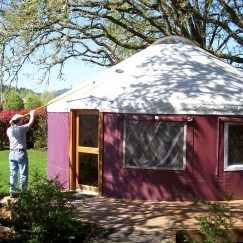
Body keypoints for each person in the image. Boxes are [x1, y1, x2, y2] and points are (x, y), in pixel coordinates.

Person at [6, 110, 35, 198]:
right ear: (18, 121)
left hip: (12, 153)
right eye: (21, 120)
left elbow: (12, 124)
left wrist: (15, 119)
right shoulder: (21, 129)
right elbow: (30, 123)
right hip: (20, 153)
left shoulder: (9, 129)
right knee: (23, 174)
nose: (22, 121)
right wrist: (32, 114)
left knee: (13, 173)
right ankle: (23, 192)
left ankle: (12, 192)